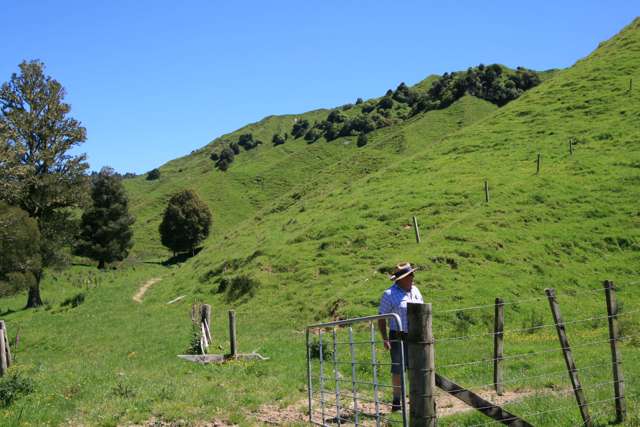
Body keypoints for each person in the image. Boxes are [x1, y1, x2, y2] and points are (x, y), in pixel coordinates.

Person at [377, 262, 424, 411]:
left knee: (417, 367)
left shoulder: (416, 290)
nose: (413, 277)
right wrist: (385, 338)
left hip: (417, 336)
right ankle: (397, 402)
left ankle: (417, 397)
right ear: (401, 279)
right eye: (410, 275)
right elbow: (381, 317)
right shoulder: (389, 294)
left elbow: (423, 311)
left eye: (412, 274)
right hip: (397, 336)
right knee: (398, 368)